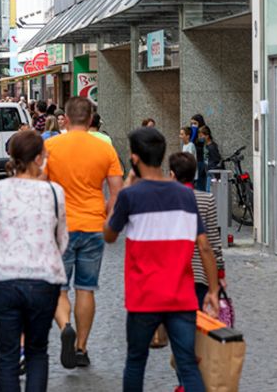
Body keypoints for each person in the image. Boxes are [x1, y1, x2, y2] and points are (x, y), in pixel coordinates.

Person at [103, 127, 219, 391]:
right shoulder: (185, 195)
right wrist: (212, 289)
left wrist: (123, 190)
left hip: (143, 296)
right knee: (187, 364)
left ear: (134, 159)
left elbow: (109, 235)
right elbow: (204, 246)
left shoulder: (131, 196)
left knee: (135, 362)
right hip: (181, 296)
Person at [0, 129, 67, 392]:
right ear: (39, 158)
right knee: (38, 352)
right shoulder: (54, 192)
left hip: (4, 279)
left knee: (7, 358)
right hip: (43, 279)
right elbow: (62, 239)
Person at [43, 97, 123, 369]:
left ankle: (66, 326)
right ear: (91, 119)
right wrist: (109, 220)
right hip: (92, 225)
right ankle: (81, 348)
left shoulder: (50, 146)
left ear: (64, 118)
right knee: (86, 288)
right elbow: (117, 192)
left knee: (59, 288)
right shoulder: (105, 149)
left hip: (60, 226)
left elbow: (40, 187)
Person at [169, 152, 226, 309]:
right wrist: (220, 274)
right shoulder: (207, 200)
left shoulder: (164, 200)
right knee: (195, 319)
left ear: (172, 174)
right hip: (200, 273)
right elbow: (213, 242)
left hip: (172, 273)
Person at [190, 114, 207, 190]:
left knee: (200, 184)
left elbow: (201, 145)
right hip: (194, 161)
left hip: (200, 161)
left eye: (195, 123)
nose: (193, 125)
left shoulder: (203, 132)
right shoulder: (192, 132)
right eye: (192, 123)